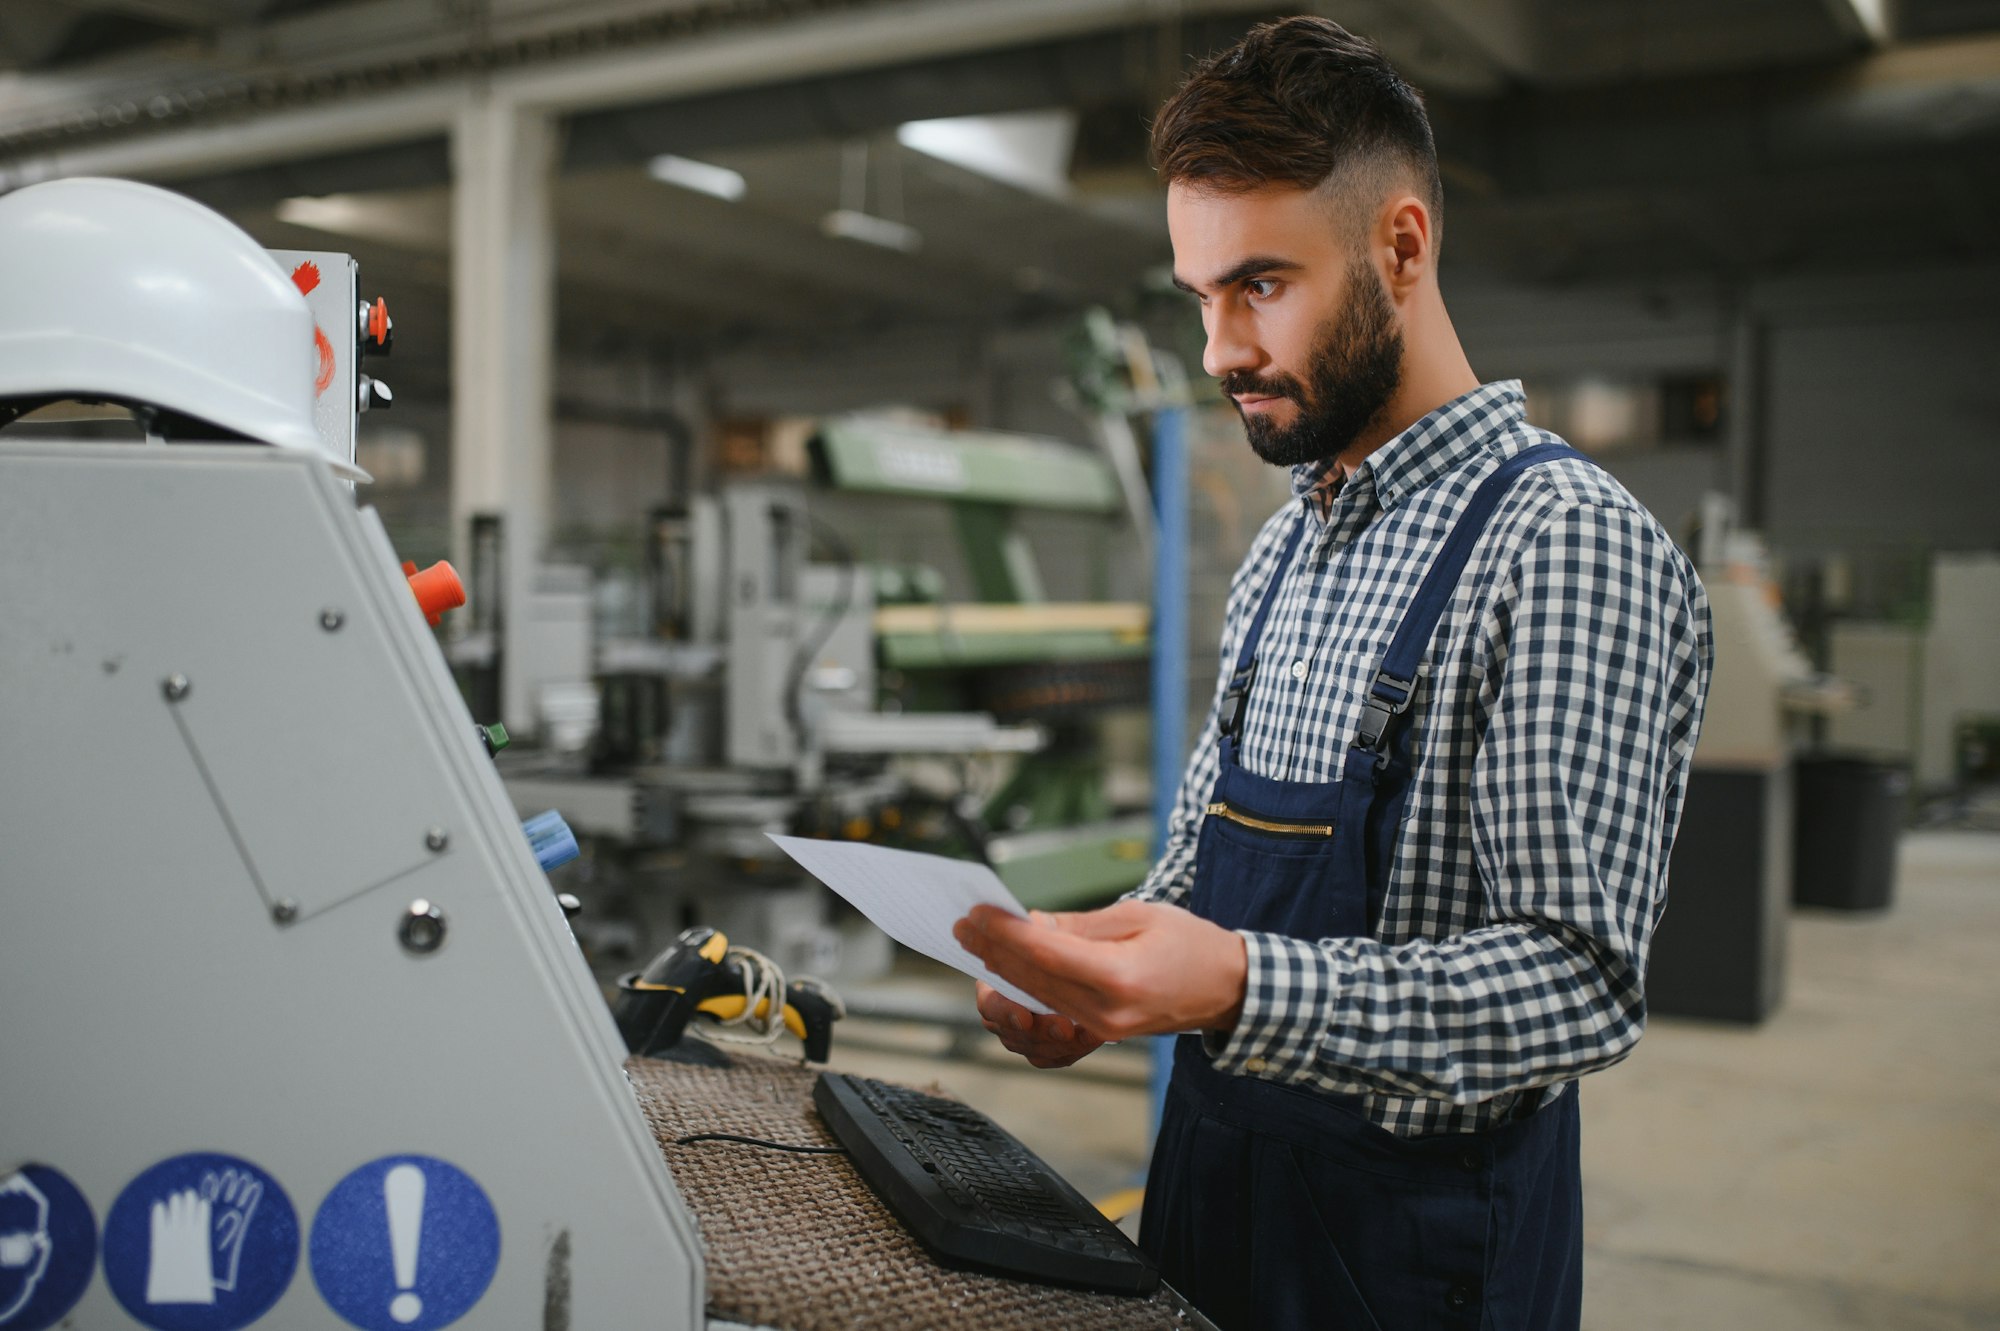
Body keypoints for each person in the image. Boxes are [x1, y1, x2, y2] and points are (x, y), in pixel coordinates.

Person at [953, 16, 1714, 1330]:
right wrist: (1098, 972)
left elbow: (1573, 983)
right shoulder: (1288, 549)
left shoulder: (1562, 547)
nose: (1218, 351)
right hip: (1210, 1192)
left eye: (1260, 284)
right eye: (1201, 296)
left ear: (1401, 246)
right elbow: (1201, 864)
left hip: (1413, 1256)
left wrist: (1242, 988)